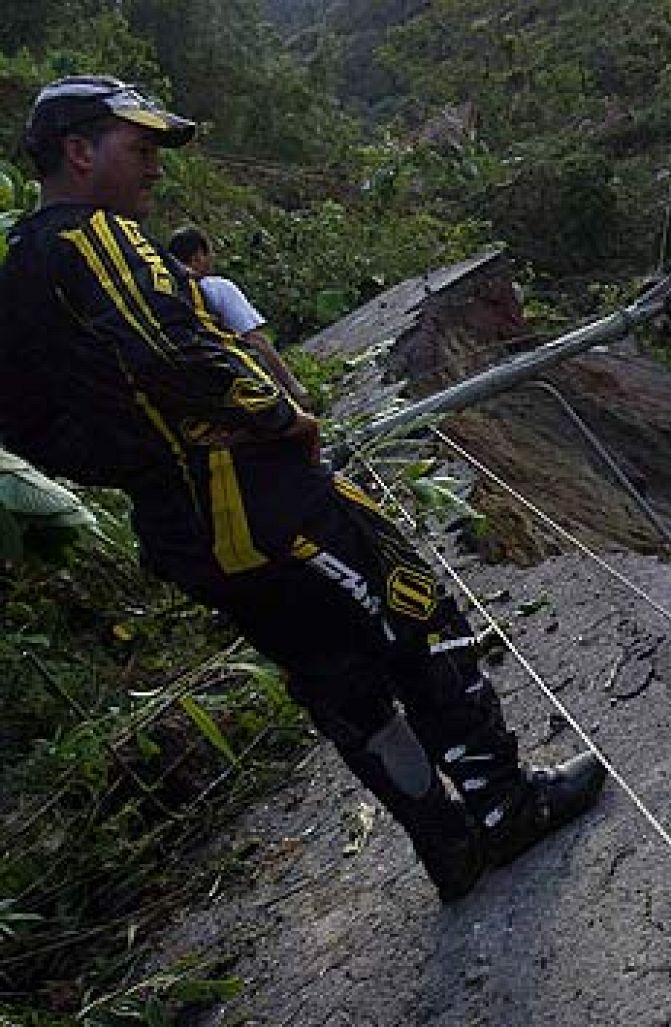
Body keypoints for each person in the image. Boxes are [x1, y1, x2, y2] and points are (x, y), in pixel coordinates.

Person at [0, 75, 605, 903]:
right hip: (259, 500)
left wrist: (141, 461)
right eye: (139, 149)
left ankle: (449, 843)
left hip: (189, 531)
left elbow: (28, 425)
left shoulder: (20, 270)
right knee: (417, 614)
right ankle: (505, 803)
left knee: (336, 677)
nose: (155, 170)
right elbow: (174, 352)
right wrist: (279, 414)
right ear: (79, 150)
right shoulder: (97, 239)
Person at [167, 225, 312, 407]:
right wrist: (296, 390)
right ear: (198, 256)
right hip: (249, 386)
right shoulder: (216, 288)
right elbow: (255, 340)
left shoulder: (171, 300)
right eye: (210, 253)